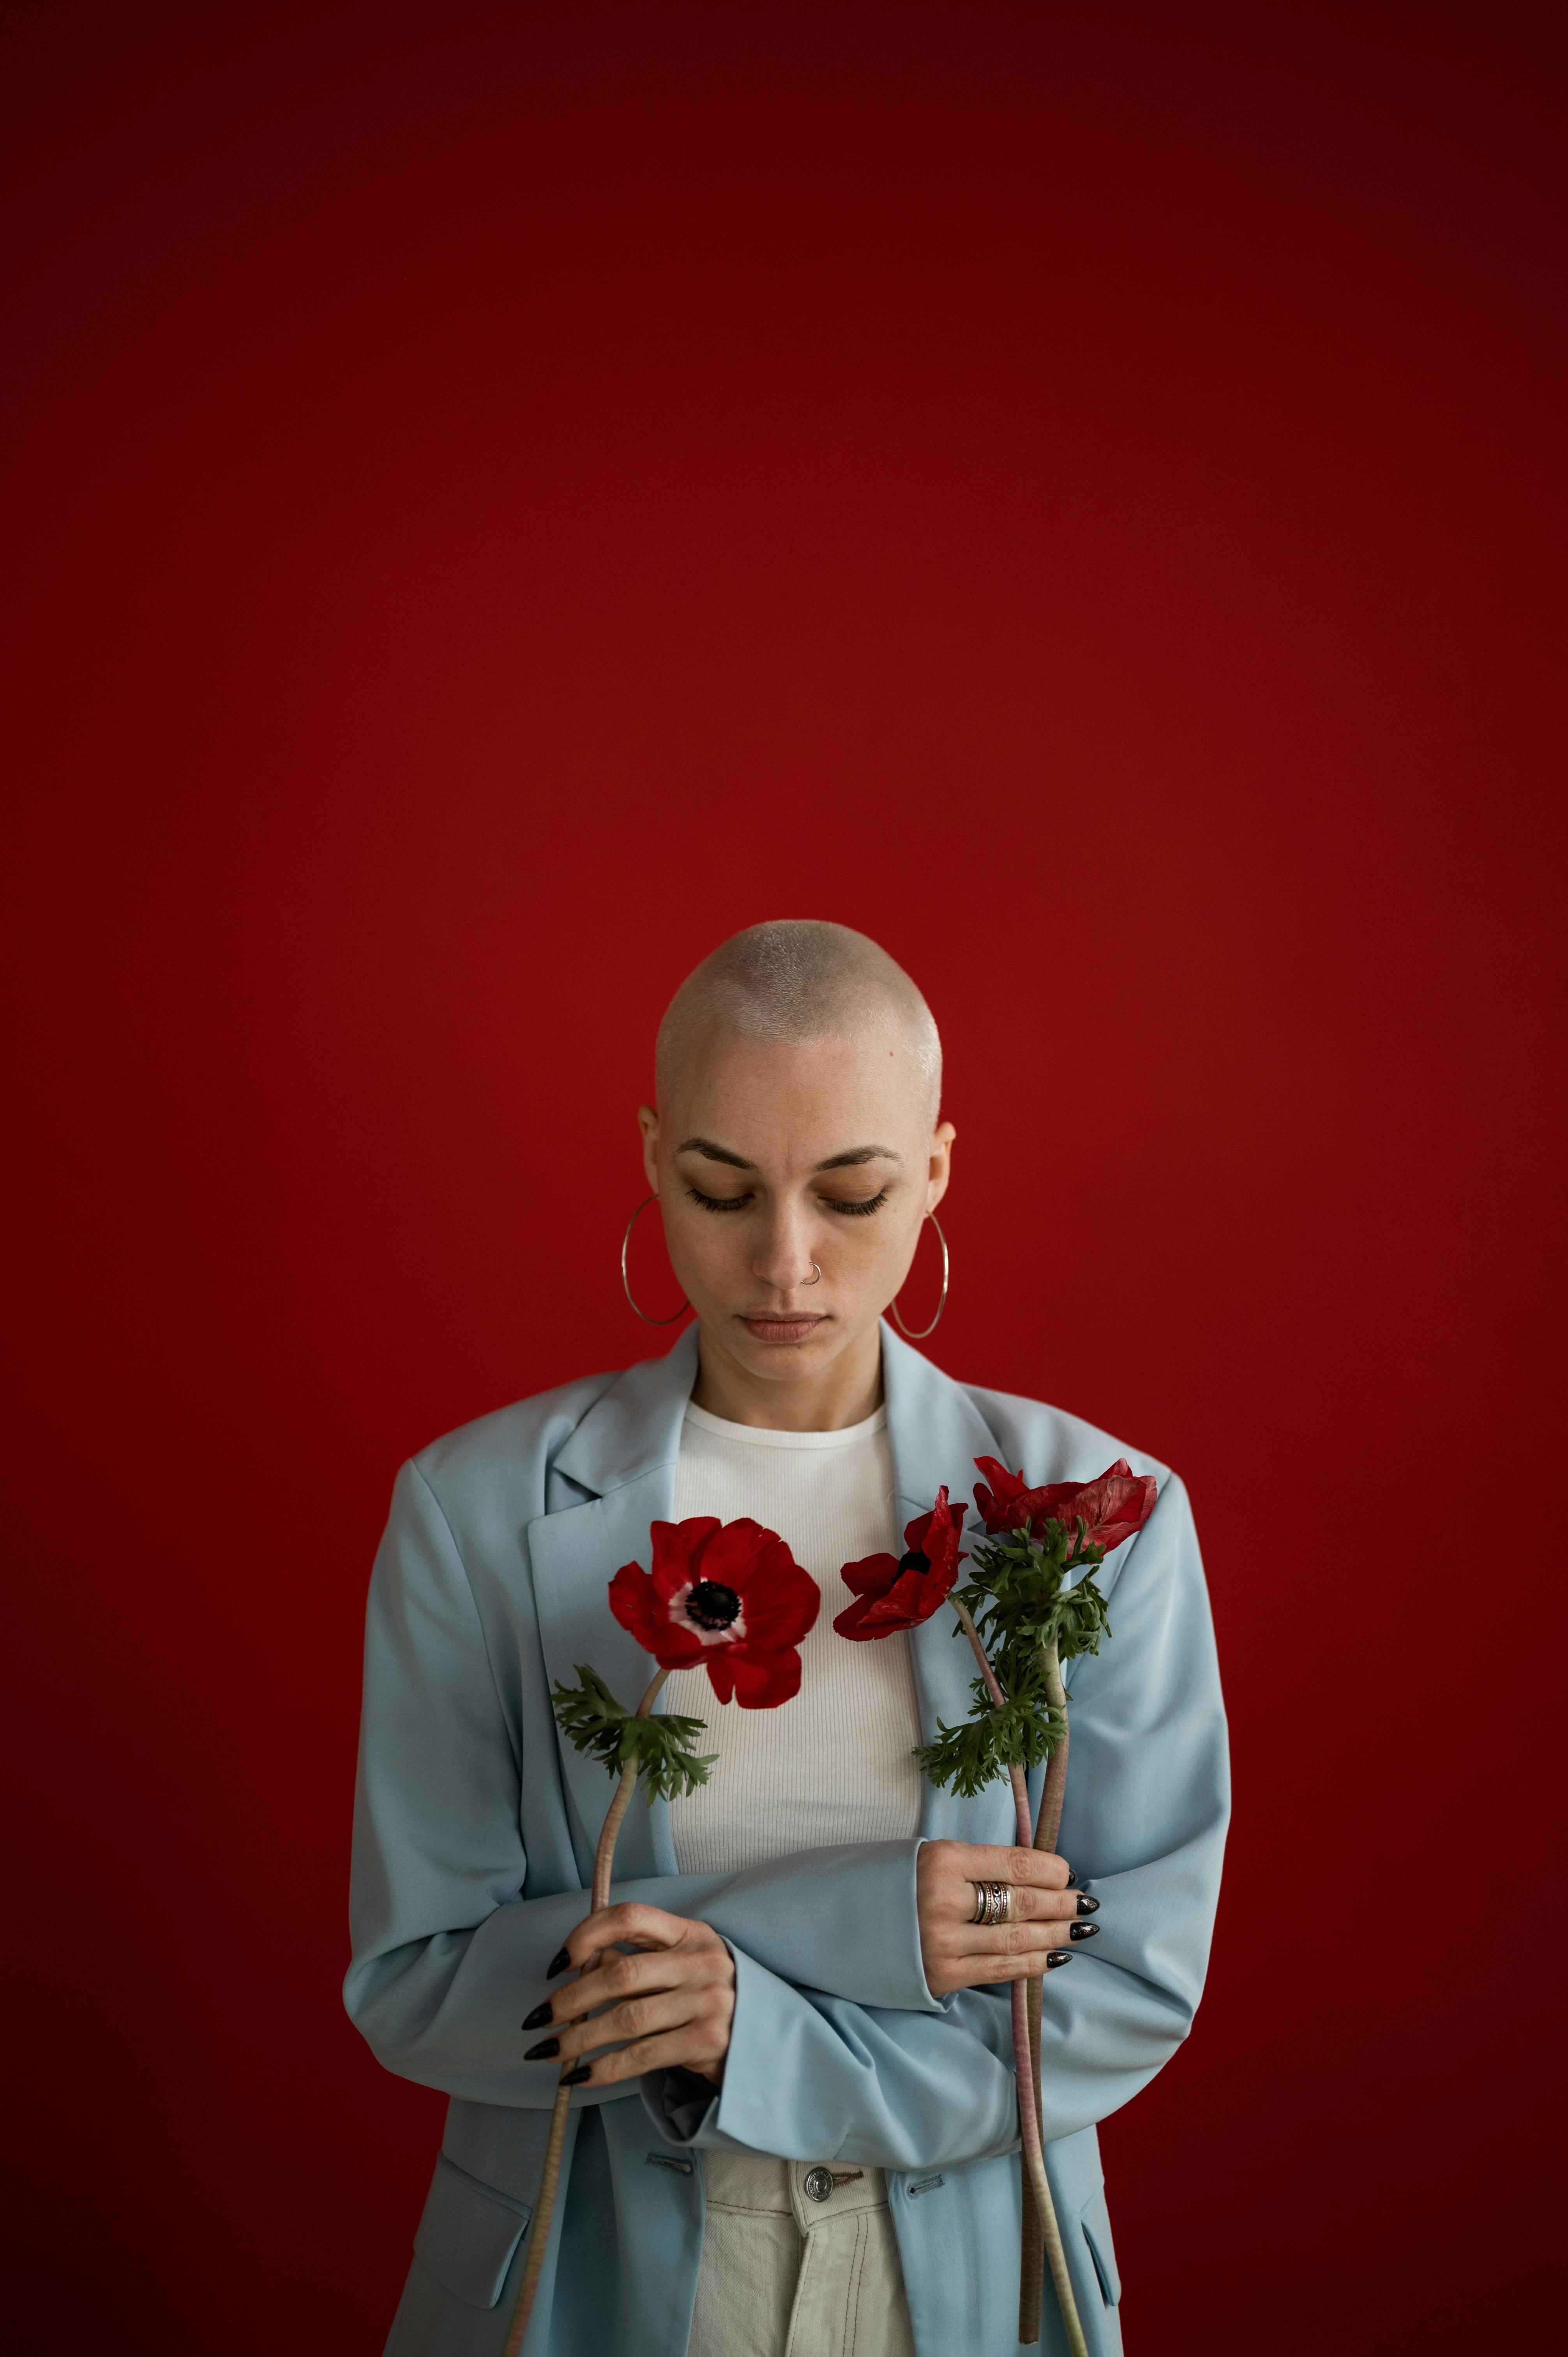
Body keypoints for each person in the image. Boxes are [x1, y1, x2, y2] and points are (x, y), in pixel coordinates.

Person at [346, 919, 1228, 2357]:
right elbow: (423, 1985)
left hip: (973, 2275)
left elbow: (1127, 1989)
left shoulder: (1100, 1516)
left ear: (936, 1170)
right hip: (584, 2277)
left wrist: (752, 2034)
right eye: (722, 1190)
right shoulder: (475, 1514)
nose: (786, 1261)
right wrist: (856, 1922)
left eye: (853, 1194)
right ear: (653, 1158)